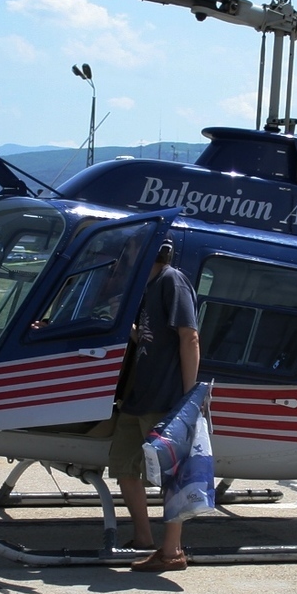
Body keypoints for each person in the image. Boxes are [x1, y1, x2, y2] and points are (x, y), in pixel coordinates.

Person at [108, 239, 200, 573]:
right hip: (138, 395)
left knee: (172, 476)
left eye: (129, 250)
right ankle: (144, 538)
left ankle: (171, 551)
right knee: (123, 466)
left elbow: (189, 337)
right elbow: (149, 337)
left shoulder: (171, 281)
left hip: (164, 397)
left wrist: (189, 397)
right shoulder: (146, 287)